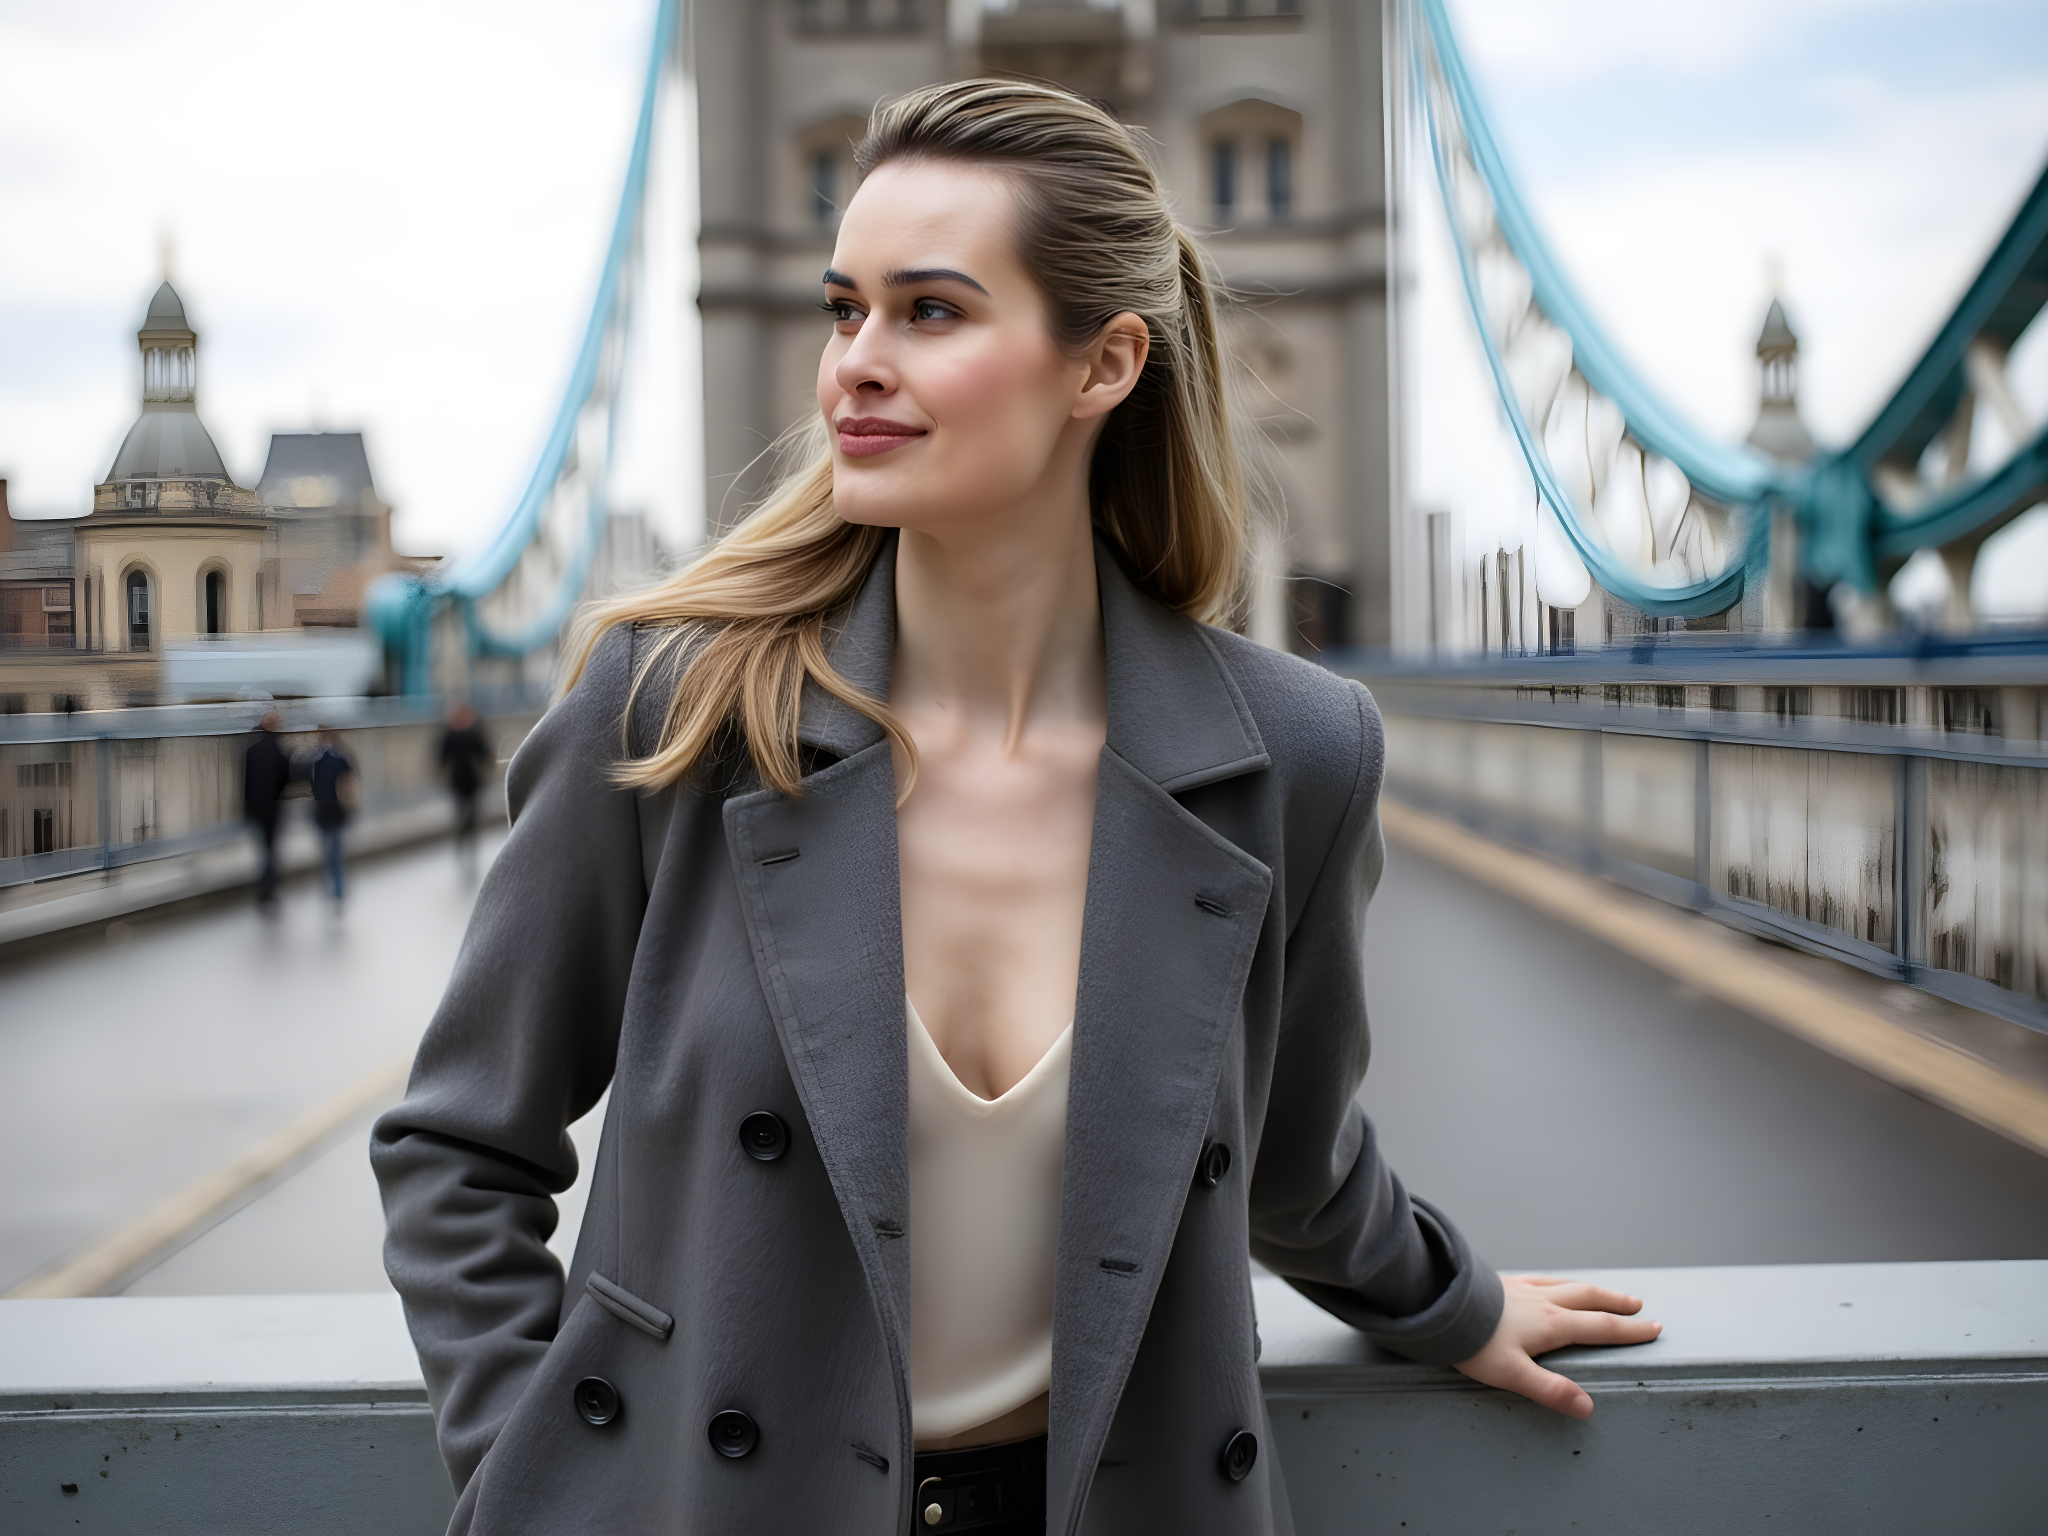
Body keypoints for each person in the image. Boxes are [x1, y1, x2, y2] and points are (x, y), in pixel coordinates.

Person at [373, 81, 1658, 1536]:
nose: (854, 363)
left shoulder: (1296, 755)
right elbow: (460, 1147)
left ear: (1102, 364)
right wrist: (534, 1479)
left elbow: (1290, 1158)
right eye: (841, 307)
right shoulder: (673, 710)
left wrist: (1452, 1301)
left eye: (929, 312)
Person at [241, 709, 292, 909]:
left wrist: (248, 809)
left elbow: (246, 783)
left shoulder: (252, 751)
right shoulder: (280, 752)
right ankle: (268, 890)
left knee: (263, 850)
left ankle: (265, 890)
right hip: (273, 809)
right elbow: (285, 780)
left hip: (257, 808)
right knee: (271, 850)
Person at [436, 702, 493, 867]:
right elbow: (485, 755)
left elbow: (442, 758)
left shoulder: (454, 733)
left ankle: (464, 843)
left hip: (461, 780)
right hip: (468, 779)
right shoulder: (470, 732)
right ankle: (466, 843)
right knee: (468, 815)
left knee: (465, 814)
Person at [305, 726, 356, 907]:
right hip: (334, 812)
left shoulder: (316, 759)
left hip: (325, 812)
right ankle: (337, 891)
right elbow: (349, 782)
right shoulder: (340, 757)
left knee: (329, 853)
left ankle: (334, 891)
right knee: (334, 853)